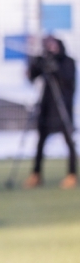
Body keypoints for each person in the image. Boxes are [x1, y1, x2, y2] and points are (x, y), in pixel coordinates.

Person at [25, 36, 77, 190]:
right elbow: (32, 76)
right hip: (47, 107)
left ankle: (72, 174)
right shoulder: (45, 61)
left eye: (53, 45)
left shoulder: (67, 61)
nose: (50, 48)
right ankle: (36, 174)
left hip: (63, 108)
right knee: (40, 142)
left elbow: (69, 80)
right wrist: (34, 62)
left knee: (69, 142)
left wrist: (56, 68)